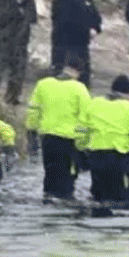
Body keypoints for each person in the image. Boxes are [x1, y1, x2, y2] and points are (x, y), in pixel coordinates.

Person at [25, 57, 92, 202]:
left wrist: (31, 132)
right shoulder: (80, 89)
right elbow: (86, 119)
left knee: (50, 174)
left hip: (47, 137)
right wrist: (83, 146)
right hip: (69, 140)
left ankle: (48, 200)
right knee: (67, 179)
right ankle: (65, 206)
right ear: (78, 72)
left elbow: (33, 111)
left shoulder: (43, 85)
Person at [82, 74, 129, 211]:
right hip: (118, 161)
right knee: (123, 202)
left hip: (96, 160)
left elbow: (83, 131)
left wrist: (81, 152)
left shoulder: (94, 104)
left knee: (99, 200)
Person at [49, 0, 101, 87]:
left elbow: (96, 18)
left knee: (83, 78)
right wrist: (84, 29)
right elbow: (63, 20)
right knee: (62, 78)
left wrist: (95, 28)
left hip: (82, 45)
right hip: (63, 44)